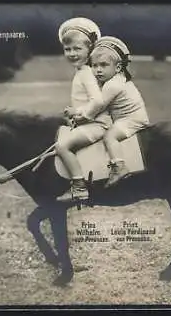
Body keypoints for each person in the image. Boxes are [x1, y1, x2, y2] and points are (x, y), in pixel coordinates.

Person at [55, 17, 113, 202]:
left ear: (90, 50)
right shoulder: (82, 70)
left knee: (62, 146)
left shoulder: (87, 73)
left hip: (97, 125)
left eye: (77, 48)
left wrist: (80, 114)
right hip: (91, 122)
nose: (72, 53)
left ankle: (79, 186)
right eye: (68, 49)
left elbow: (97, 101)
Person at [89, 36, 150, 188]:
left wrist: (77, 114)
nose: (98, 70)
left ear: (117, 68)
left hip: (131, 119)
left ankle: (119, 167)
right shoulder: (115, 79)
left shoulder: (112, 85)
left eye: (103, 65)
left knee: (110, 136)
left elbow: (97, 107)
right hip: (126, 117)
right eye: (94, 65)